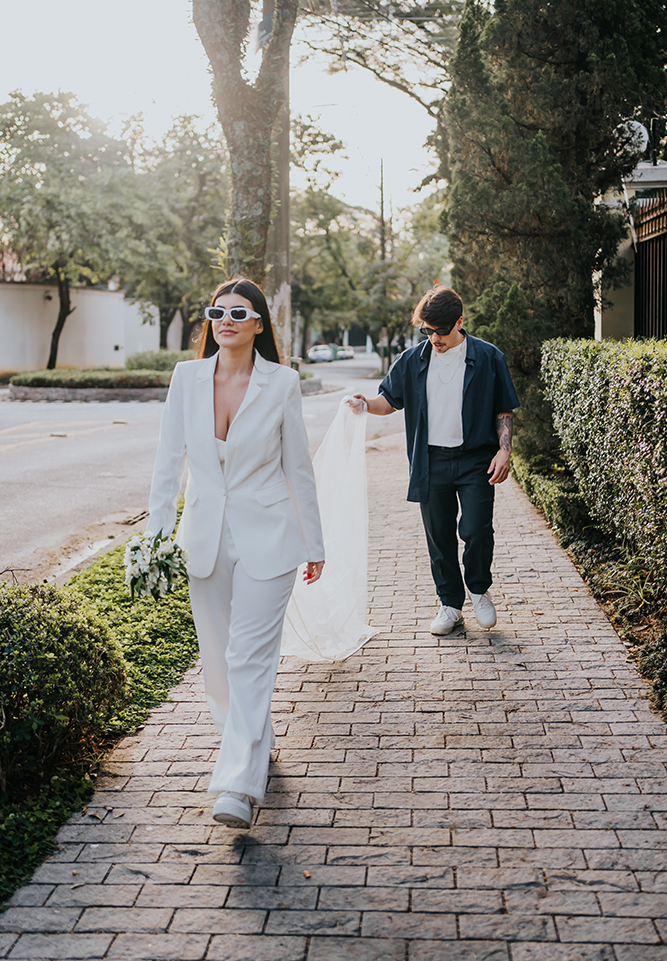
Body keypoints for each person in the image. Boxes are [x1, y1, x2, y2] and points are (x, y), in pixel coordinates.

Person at [146, 278, 325, 829]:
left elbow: (298, 465)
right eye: (217, 311)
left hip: (269, 537)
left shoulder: (282, 383)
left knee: (250, 658)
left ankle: (238, 786)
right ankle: (251, 742)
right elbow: (166, 461)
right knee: (219, 664)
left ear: (258, 324)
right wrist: (155, 537)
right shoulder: (187, 378)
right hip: (204, 536)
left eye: (239, 312)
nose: (226, 319)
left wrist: (315, 542)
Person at [349, 284, 519, 636]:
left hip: (476, 461)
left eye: (440, 331)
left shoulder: (488, 357)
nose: (434, 338)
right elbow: (388, 401)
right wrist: (365, 404)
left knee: (476, 530)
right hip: (431, 461)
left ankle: (478, 590)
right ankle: (450, 605)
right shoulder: (413, 360)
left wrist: (504, 450)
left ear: (459, 322)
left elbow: (504, 406)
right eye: (426, 330)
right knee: (439, 537)